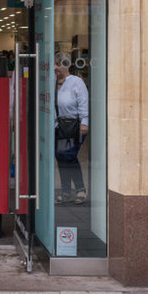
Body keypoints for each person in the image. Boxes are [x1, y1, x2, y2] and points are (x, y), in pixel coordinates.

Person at [54, 51, 90, 205]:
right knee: (61, 157)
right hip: (58, 126)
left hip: (74, 125)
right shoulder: (52, 82)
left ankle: (80, 189)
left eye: (58, 64)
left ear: (65, 65)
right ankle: (66, 190)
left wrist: (84, 122)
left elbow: (83, 102)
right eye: (54, 64)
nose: (55, 68)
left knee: (69, 156)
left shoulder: (76, 82)